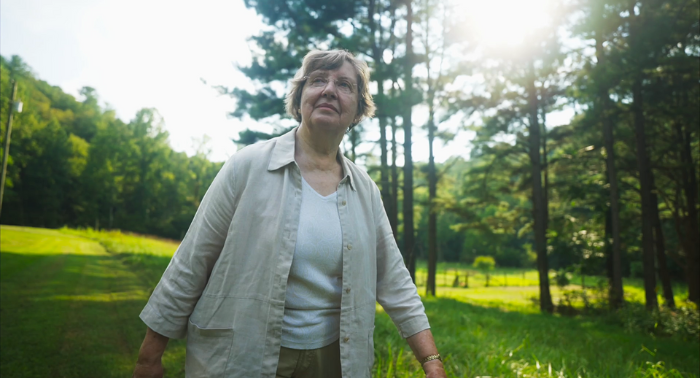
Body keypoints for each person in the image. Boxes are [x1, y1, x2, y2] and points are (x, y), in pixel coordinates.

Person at [132, 49, 446, 378]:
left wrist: (431, 360)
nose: (328, 90)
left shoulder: (364, 190)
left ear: (357, 110)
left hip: (333, 361)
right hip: (247, 355)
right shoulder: (248, 166)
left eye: (344, 85)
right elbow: (193, 260)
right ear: (299, 99)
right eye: (318, 81)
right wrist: (149, 356)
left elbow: (395, 280)